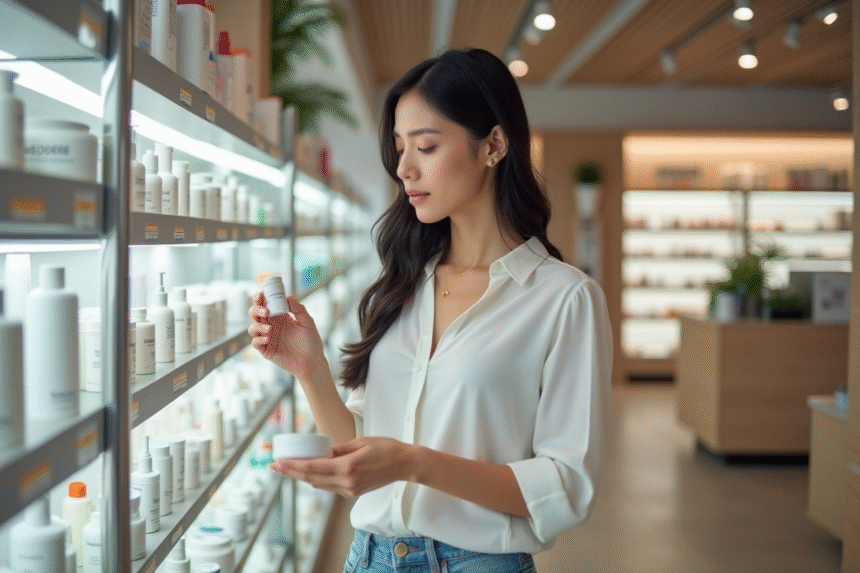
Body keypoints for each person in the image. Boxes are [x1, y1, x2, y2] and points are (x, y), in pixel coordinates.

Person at [248, 48, 612, 573]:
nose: (404, 169)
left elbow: (566, 487)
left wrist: (415, 463)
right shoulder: (403, 283)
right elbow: (360, 454)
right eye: (399, 148)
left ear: (493, 144)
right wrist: (309, 366)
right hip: (369, 558)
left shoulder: (563, 298)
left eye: (426, 145)